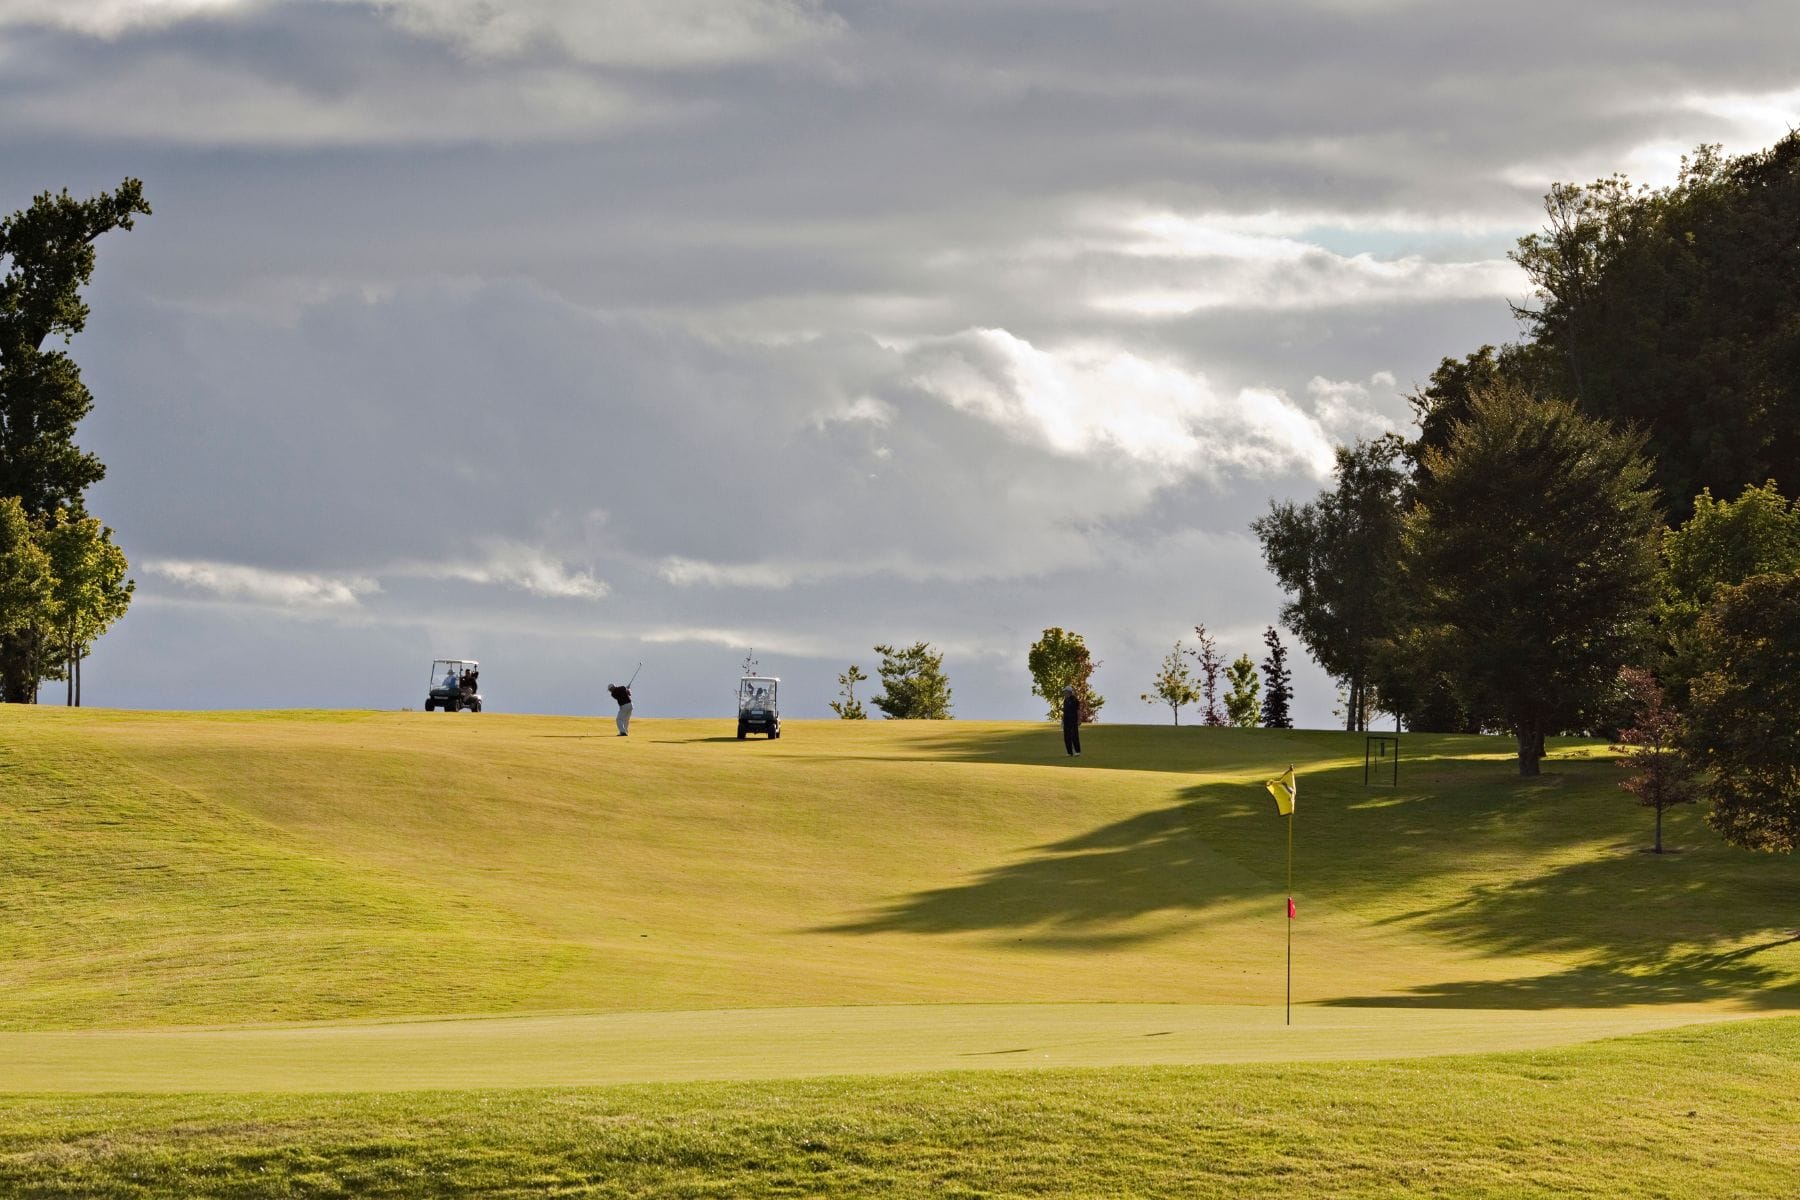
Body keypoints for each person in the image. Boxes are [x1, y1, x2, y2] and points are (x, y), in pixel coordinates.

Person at [1061, 685, 1082, 757]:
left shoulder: (1075, 700)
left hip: (1073, 720)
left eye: (1065, 692)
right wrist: (1062, 720)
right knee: (1066, 737)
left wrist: (1079, 719)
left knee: (1074, 736)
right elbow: (1065, 711)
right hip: (1066, 720)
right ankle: (1069, 752)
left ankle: (1077, 751)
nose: (1064, 693)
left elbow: (1078, 710)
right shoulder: (1065, 701)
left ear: (1069, 692)